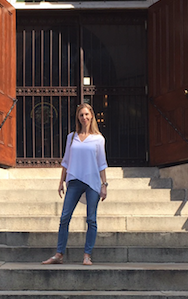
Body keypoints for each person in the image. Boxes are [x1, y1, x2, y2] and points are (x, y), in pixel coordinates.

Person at [42, 103, 108, 266]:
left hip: (92, 182)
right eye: (81, 115)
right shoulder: (71, 137)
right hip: (74, 181)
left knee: (91, 219)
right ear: (78, 118)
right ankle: (59, 254)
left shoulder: (98, 139)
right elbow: (66, 161)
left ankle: (87, 255)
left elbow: (101, 163)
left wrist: (104, 184)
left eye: (86, 114)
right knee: (65, 217)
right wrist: (61, 182)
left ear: (91, 116)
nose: (84, 118)